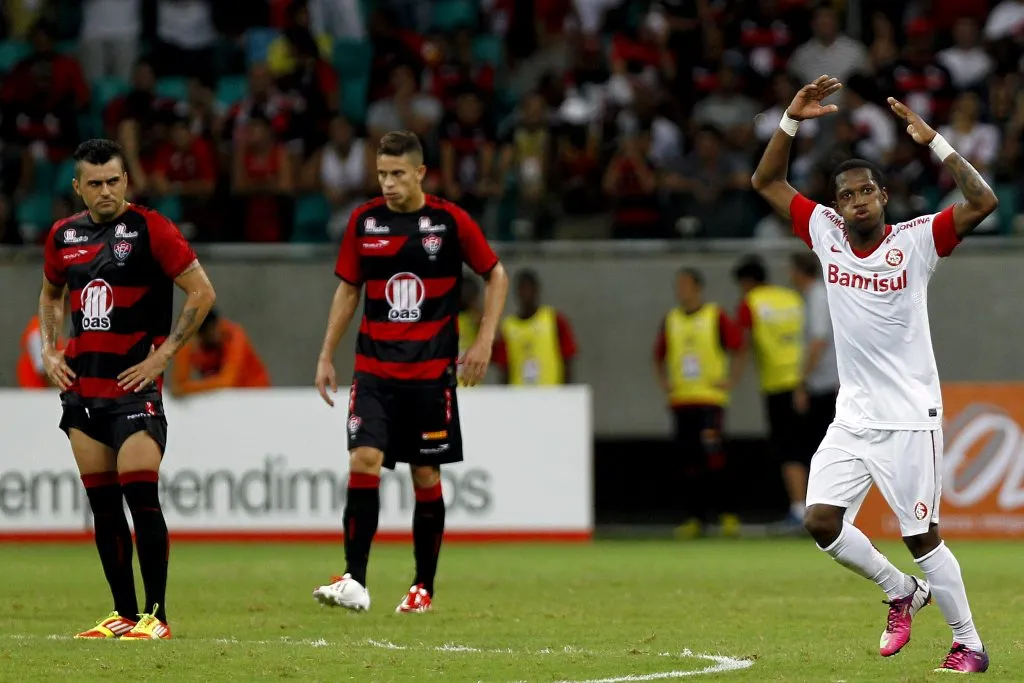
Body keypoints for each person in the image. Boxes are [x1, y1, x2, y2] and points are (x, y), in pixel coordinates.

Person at [751, 75, 999, 673]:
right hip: (854, 415)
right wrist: (790, 118)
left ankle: (969, 642)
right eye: (847, 195)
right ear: (836, 206)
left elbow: (983, 201)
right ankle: (899, 591)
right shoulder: (824, 234)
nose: (857, 201)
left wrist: (933, 140)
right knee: (820, 521)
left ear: (883, 197)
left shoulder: (916, 242)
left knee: (922, 537)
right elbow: (765, 181)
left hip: (911, 415)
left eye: (867, 191)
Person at [312, 130, 508, 614]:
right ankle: (354, 577)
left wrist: (484, 339)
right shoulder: (364, 221)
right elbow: (348, 291)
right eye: (382, 174)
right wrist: (325, 353)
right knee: (363, 460)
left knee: (425, 473)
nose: (388, 183)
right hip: (374, 372)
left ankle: (423, 587)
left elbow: (496, 274)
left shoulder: (449, 221)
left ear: (421, 173)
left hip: (429, 375)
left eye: (398, 174)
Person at [38, 139, 216, 640]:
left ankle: (156, 616)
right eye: (94, 183)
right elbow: (50, 294)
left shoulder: (149, 229)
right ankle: (122, 612)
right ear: (78, 187)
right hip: (82, 393)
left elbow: (202, 292)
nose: (105, 190)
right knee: (103, 507)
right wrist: (50, 351)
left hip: (134, 393)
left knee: (141, 497)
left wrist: (162, 358)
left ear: (126, 181)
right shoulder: (63, 236)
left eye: (113, 180)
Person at [653, 268, 743, 538]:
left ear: (698, 287)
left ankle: (727, 514)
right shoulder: (671, 320)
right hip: (682, 400)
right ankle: (695, 518)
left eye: (686, 285)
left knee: (713, 455)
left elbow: (739, 346)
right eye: (678, 285)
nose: (681, 290)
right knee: (687, 460)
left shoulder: (714, 316)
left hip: (709, 400)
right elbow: (658, 355)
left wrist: (731, 379)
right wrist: (664, 382)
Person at [731, 255, 808, 526]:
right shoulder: (791, 298)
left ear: (746, 282)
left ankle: (799, 509)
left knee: (788, 449)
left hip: (777, 384)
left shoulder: (751, 303)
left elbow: (742, 344)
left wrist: (731, 380)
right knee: (813, 445)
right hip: (807, 381)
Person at [790, 251, 840, 528]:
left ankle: (820, 511)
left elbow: (819, 341)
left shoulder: (817, 297)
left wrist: (802, 381)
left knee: (817, 446)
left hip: (824, 384)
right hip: (823, 383)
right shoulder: (814, 296)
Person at [492, 269, 578, 385]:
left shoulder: (553, 319)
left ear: (537, 290)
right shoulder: (508, 326)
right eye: (522, 289)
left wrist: (565, 393)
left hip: (550, 393)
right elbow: (504, 366)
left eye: (529, 288)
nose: (526, 293)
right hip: (519, 394)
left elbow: (568, 358)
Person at [169, 307, 270, 396]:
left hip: (253, 393)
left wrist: (187, 388)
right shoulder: (191, 342)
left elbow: (227, 381)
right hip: (220, 398)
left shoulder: (233, 335)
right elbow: (177, 387)